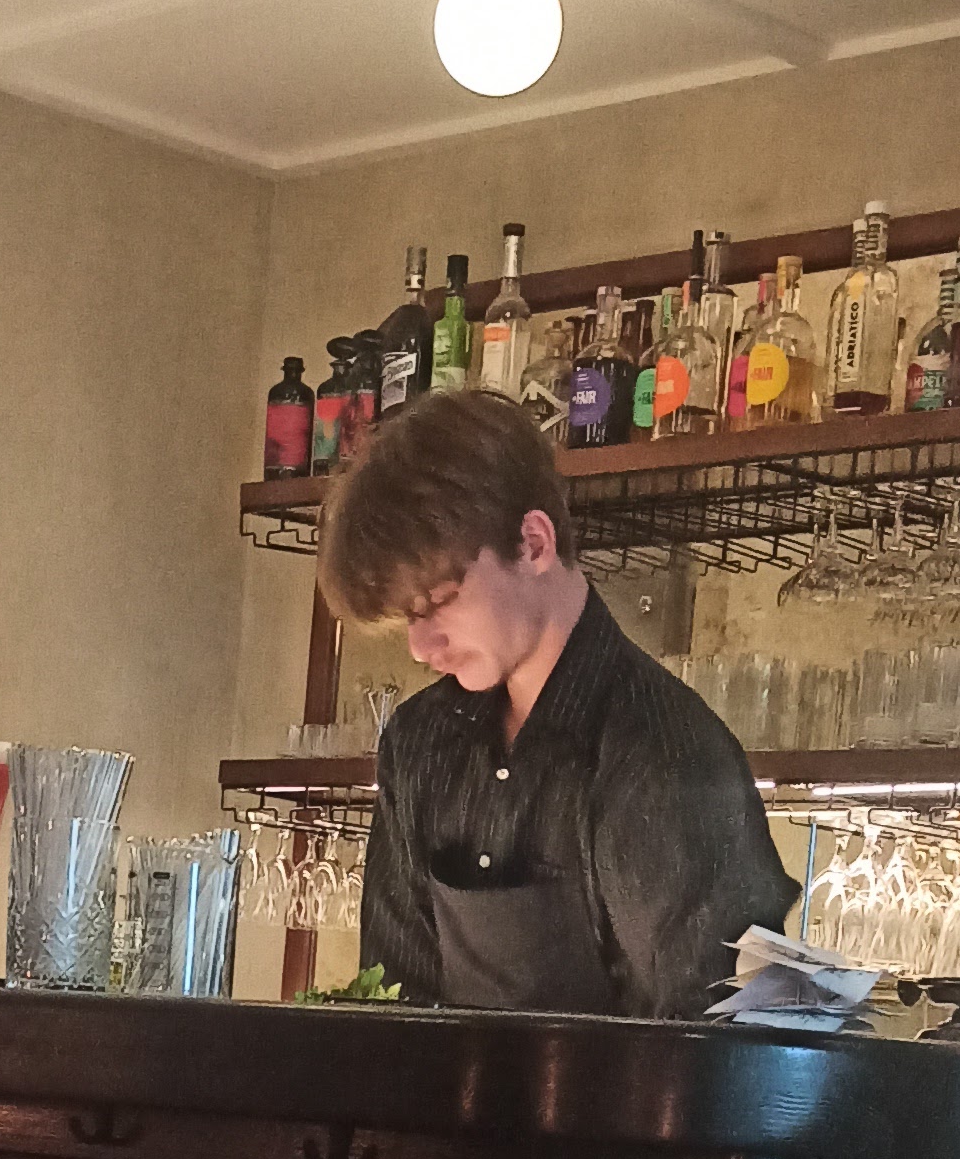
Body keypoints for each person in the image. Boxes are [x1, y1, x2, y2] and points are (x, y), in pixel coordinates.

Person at [321, 386, 793, 1016]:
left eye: (438, 602)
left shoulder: (665, 751)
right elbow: (391, 1000)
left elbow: (716, 1040)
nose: (419, 647)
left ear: (534, 543)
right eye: (406, 619)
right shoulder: (418, 740)